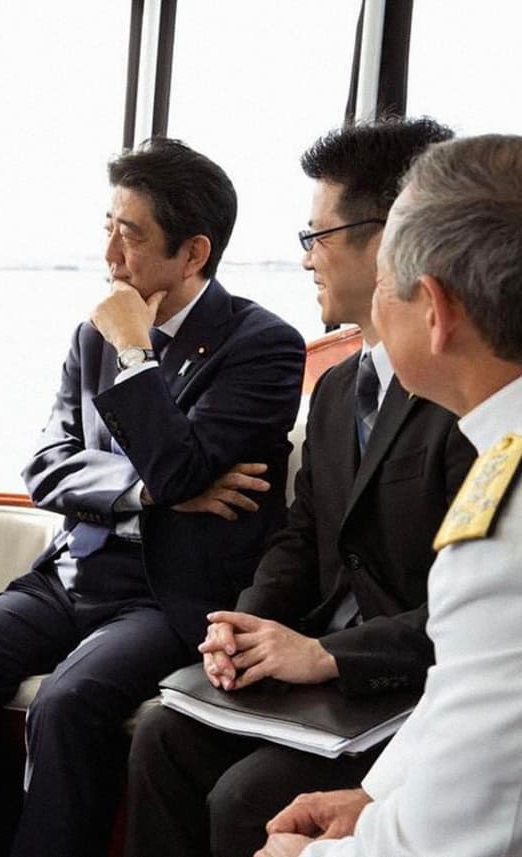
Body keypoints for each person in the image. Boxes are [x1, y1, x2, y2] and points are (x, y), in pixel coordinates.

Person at [0, 138, 305, 857]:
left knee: (67, 703)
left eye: (133, 235)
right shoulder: (91, 336)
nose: (111, 255)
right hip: (72, 572)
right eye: (108, 227)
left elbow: (180, 469)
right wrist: (142, 490)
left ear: (194, 252)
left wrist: (136, 353)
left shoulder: (263, 345)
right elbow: (46, 468)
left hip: (167, 594)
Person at [123, 117, 472, 857]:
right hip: (322, 665)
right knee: (160, 731)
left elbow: (472, 607)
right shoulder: (340, 387)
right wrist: (243, 627)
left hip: (407, 681)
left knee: (246, 796)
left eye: (317, 235)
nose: (307, 256)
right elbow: (300, 535)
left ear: (389, 240)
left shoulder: (464, 397)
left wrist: (329, 656)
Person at [254, 134, 522, 857]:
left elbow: (455, 836)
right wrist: (376, 796)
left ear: (434, 309)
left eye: (386, 284)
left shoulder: (503, 532)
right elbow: (467, 688)